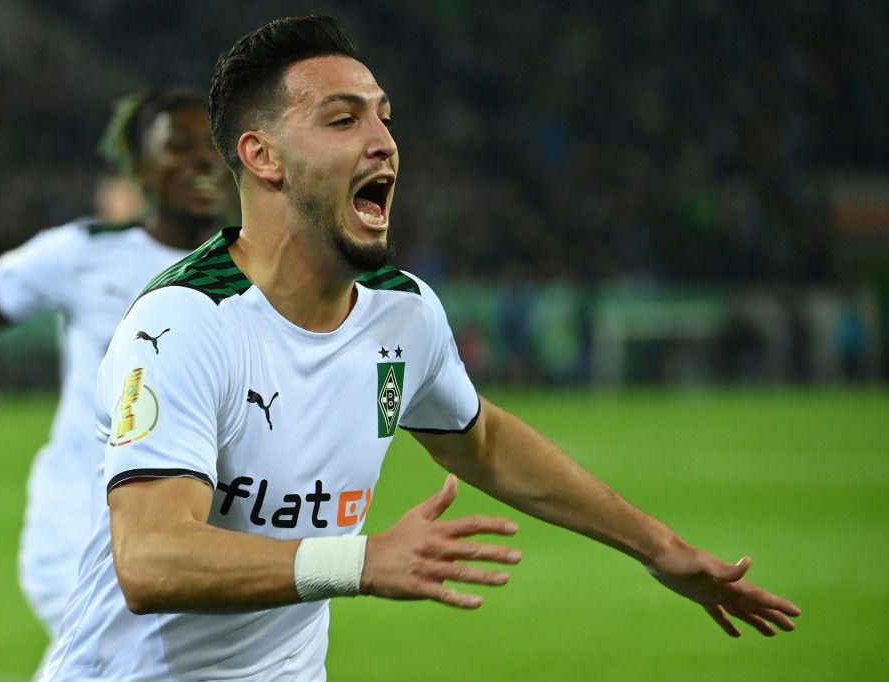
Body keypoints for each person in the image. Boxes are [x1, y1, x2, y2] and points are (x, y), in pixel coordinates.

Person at [41, 16, 800, 681]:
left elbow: (484, 442)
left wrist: (657, 547)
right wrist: (360, 561)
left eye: (385, 119)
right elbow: (151, 559)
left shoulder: (401, 314)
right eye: (343, 122)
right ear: (263, 156)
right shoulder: (184, 322)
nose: (383, 143)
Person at [0, 86, 231, 641]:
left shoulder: (260, 274)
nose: (202, 159)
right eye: (178, 147)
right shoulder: (83, 253)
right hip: (74, 525)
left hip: (183, 532)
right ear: (139, 167)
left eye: (212, 145)